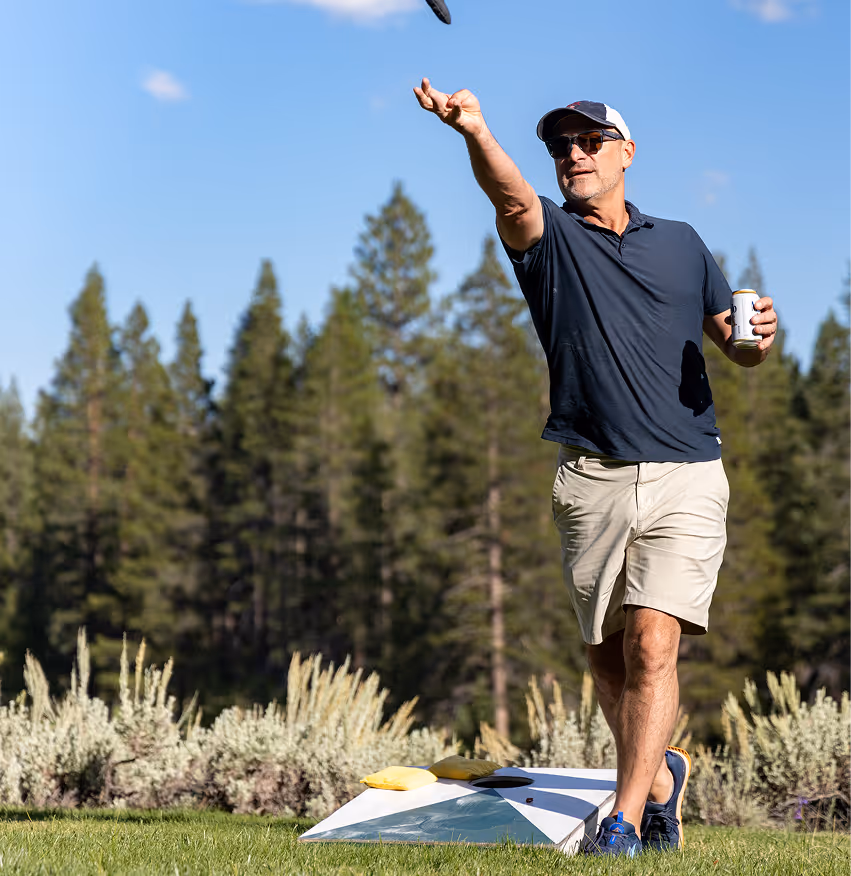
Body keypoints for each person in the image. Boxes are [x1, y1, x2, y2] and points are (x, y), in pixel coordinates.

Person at [413, 79, 778, 857]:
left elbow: (735, 344)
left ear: (625, 153)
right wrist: (474, 130)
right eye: (560, 147)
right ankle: (660, 780)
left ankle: (622, 824)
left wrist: (758, 338)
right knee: (608, 664)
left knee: (652, 645)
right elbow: (511, 199)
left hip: (686, 472)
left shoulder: (681, 242)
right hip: (590, 480)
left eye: (589, 142)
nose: (573, 155)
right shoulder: (549, 239)